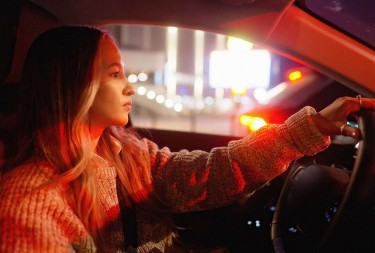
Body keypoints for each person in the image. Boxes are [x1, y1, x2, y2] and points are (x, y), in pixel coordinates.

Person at [0, 26, 374, 253]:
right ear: (73, 85)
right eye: (114, 74)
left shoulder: (126, 153)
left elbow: (210, 174)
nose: (130, 85)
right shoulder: (30, 198)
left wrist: (312, 127)